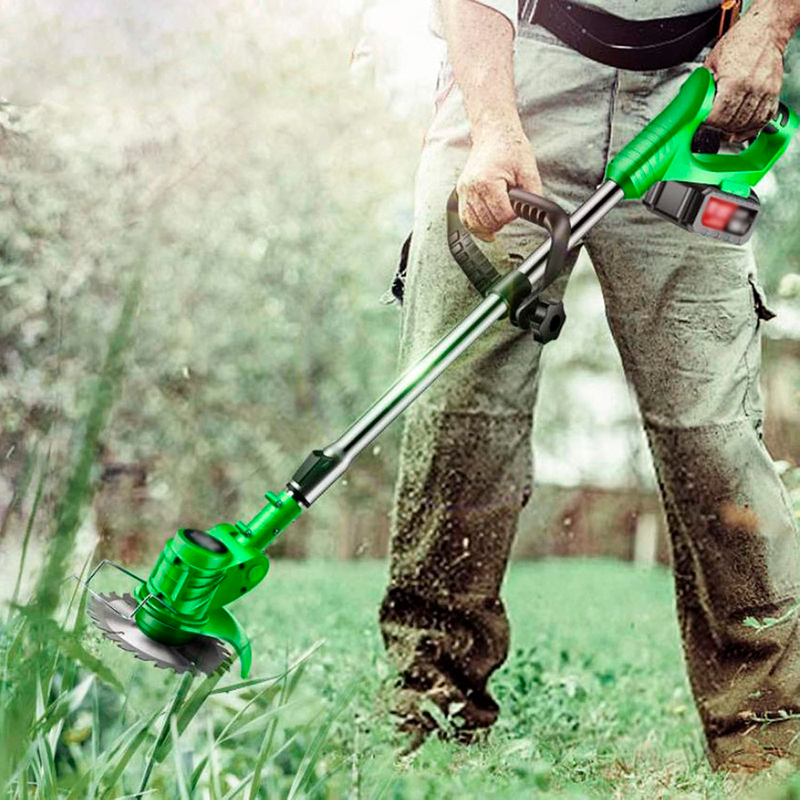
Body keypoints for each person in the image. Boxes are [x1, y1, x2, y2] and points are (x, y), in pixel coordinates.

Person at [378, 0, 800, 772]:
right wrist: (494, 121)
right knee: (461, 415)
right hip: (520, 72)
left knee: (715, 439)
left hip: (700, 89)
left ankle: (769, 749)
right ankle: (429, 724)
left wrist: (769, 27)